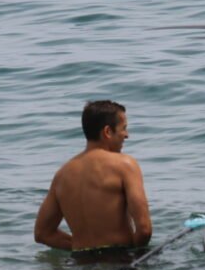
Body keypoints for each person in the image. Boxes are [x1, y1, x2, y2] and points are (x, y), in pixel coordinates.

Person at [34, 100, 152, 260]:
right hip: (119, 260)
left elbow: (43, 233)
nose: (127, 135)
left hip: (80, 263)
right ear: (107, 132)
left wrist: (82, 248)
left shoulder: (62, 175)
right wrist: (134, 254)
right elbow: (144, 229)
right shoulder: (124, 165)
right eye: (123, 128)